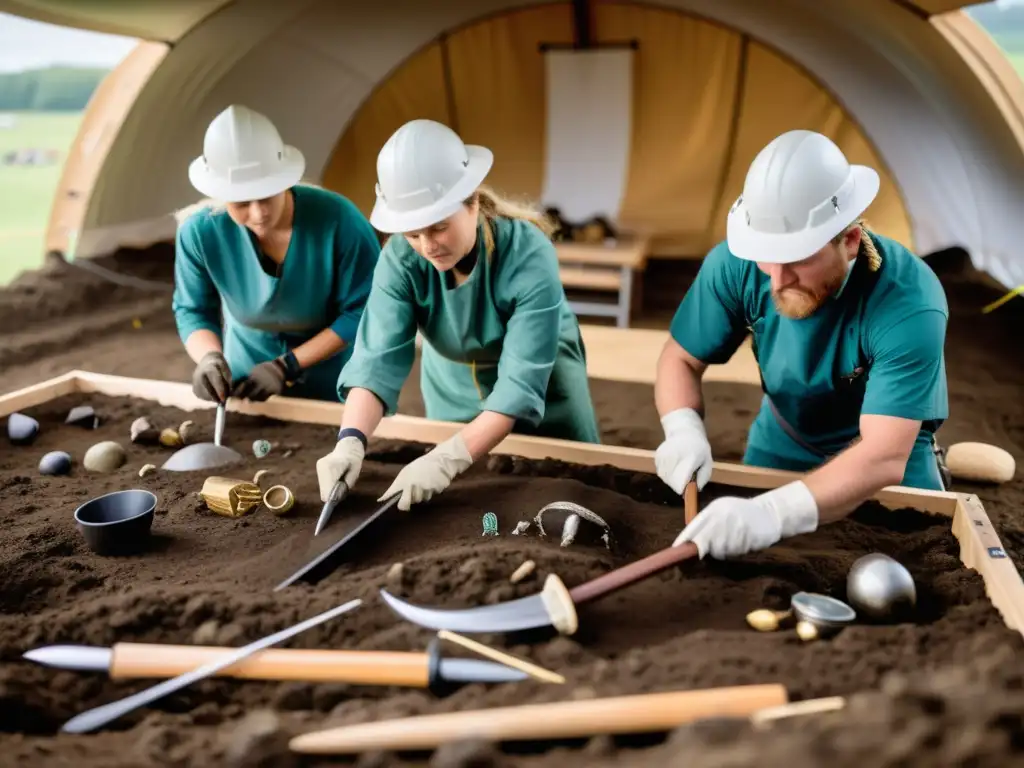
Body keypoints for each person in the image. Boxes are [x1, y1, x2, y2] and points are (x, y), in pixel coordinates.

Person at [657, 129, 949, 561]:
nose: (777, 280)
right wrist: (682, 429)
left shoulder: (910, 301)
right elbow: (679, 358)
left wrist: (773, 513)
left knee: (925, 551)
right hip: (784, 435)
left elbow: (884, 455)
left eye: (798, 257)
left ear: (849, 240)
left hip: (889, 449)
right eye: (766, 256)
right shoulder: (736, 264)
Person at [314, 119, 600, 512]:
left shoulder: (529, 254)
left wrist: (446, 460)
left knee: (567, 486)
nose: (426, 246)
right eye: (412, 234)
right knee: (471, 496)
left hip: (543, 386)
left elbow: (519, 385)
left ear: (473, 202)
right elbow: (375, 360)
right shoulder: (399, 259)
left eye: (438, 228)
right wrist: (350, 440)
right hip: (451, 382)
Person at [172, 104, 380, 403]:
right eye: (241, 203)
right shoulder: (199, 232)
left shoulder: (340, 220)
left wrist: (288, 365)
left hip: (334, 373)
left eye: (266, 196)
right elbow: (192, 310)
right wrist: (209, 359)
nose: (258, 214)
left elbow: (362, 311)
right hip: (247, 374)